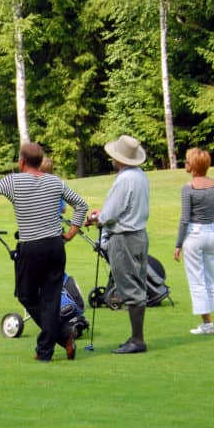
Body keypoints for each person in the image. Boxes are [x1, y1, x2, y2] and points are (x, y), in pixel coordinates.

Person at [0, 142, 88, 361]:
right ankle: (50, 347)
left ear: (21, 161)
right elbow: (81, 205)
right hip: (55, 246)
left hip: (31, 246)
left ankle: (61, 338)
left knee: (25, 295)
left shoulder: (12, 181)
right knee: (51, 298)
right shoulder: (55, 182)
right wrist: (71, 233)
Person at [84, 135, 150, 354]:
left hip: (124, 237)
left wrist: (96, 218)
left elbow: (111, 213)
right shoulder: (141, 176)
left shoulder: (124, 179)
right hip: (139, 233)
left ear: (119, 159)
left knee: (129, 286)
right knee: (137, 282)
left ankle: (138, 340)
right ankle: (136, 337)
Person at [173, 147, 214, 334]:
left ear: (193, 166)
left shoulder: (189, 188)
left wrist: (178, 244)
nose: (185, 164)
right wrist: (213, 232)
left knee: (197, 281)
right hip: (211, 233)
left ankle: (208, 324)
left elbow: (185, 218)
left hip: (194, 236)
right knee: (210, 279)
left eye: (187, 161)